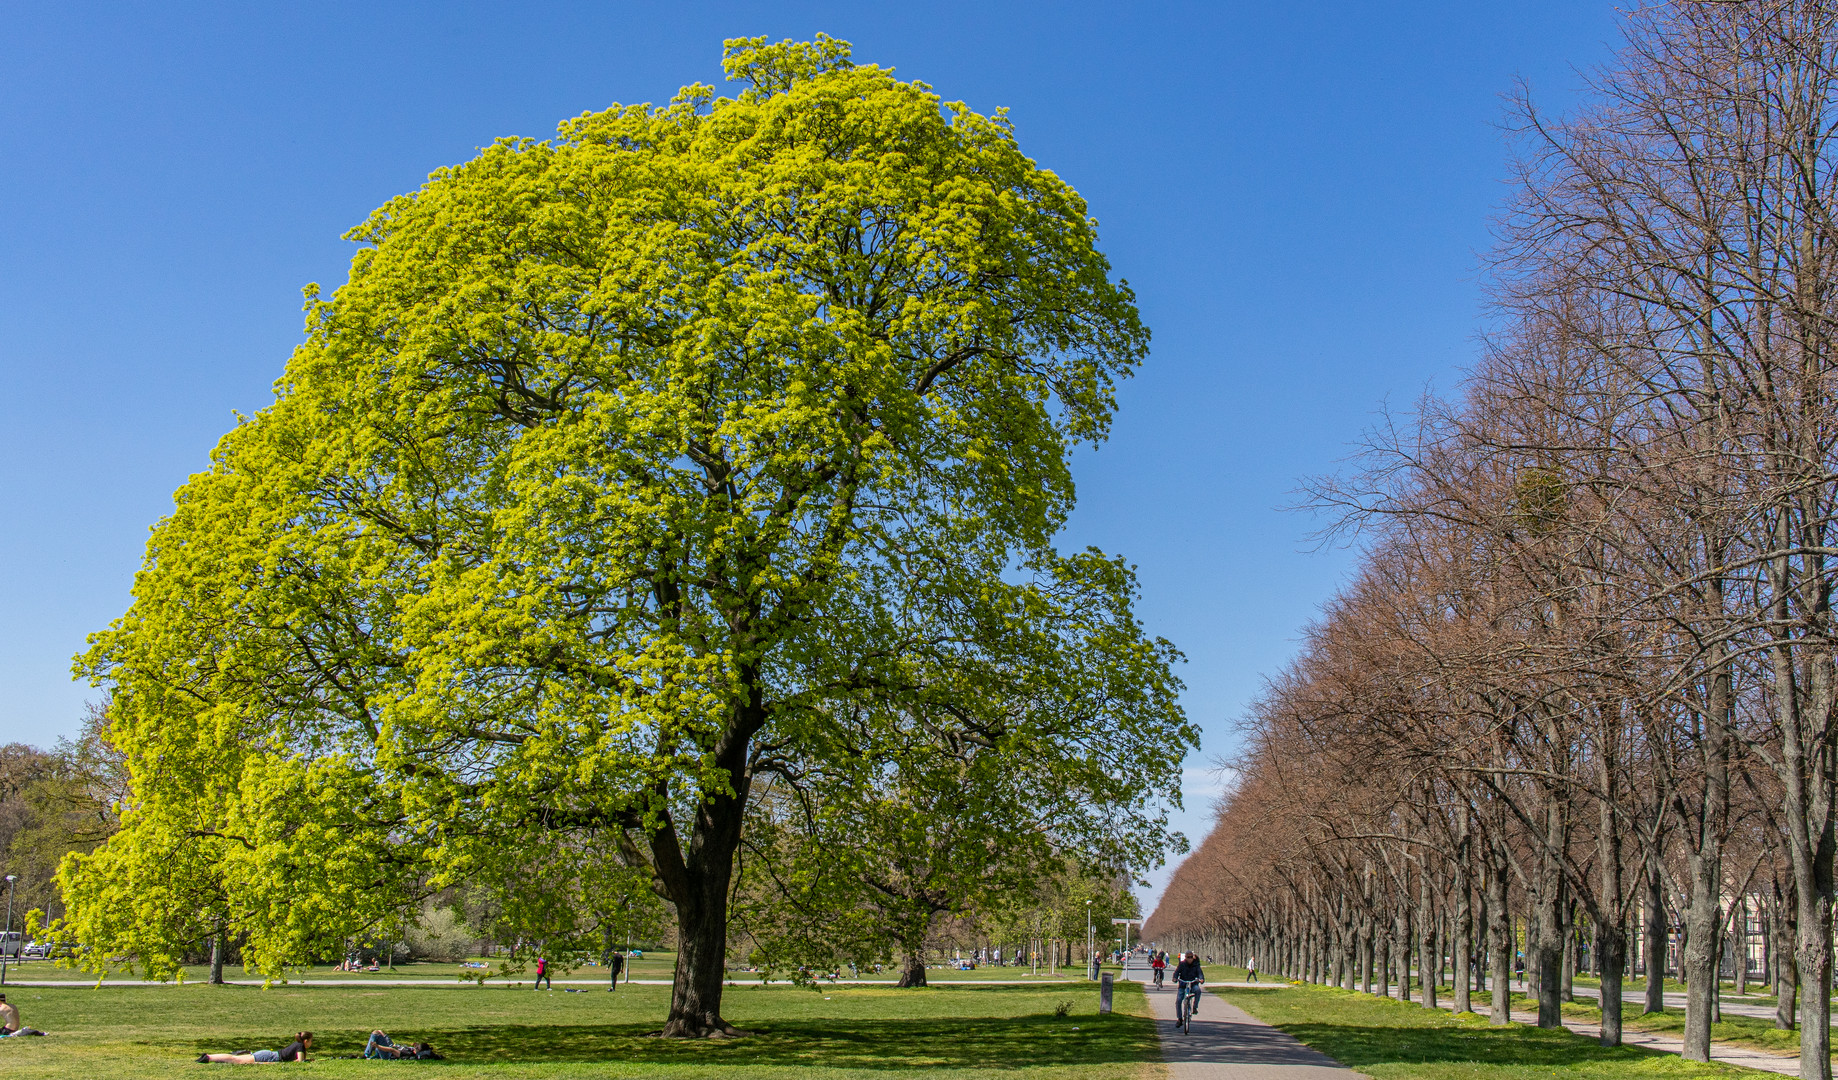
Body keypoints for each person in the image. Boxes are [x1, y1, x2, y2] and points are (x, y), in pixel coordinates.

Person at [197, 1032, 312, 1064]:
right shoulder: (300, 1046)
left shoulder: (297, 1044)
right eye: (311, 1041)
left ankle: (209, 1057)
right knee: (237, 1060)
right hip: (270, 1057)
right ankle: (208, 1058)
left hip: (268, 1054)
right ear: (306, 1041)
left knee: (235, 1059)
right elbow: (300, 1062)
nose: (311, 1043)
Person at [1172, 953, 1205, 1025]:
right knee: (1178, 1000)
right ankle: (1179, 1019)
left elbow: (1200, 973)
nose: (1190, 959)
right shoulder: (1182, 964)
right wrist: (1175, 978)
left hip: (1193, 984)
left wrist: (1201, 979)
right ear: (1185, 957)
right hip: (1183, 985)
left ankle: (1195, 1007)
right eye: (1188, 957)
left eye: (1191, 957)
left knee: (1198, 991)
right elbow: (1177, 972)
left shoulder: (1196, 965)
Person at [364, 1031, 438, 1059]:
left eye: (417, 1046)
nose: (415, 1046)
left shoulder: (409, 1053)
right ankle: (373, 1055)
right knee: (379, 1031)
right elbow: (393, 1046)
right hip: (391, 1045)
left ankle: (367, 1055)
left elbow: (392, 1050)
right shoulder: (411, 1049)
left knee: (375, 1034)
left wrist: (377, 1046)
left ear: (419, 1050)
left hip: (387, 1054)